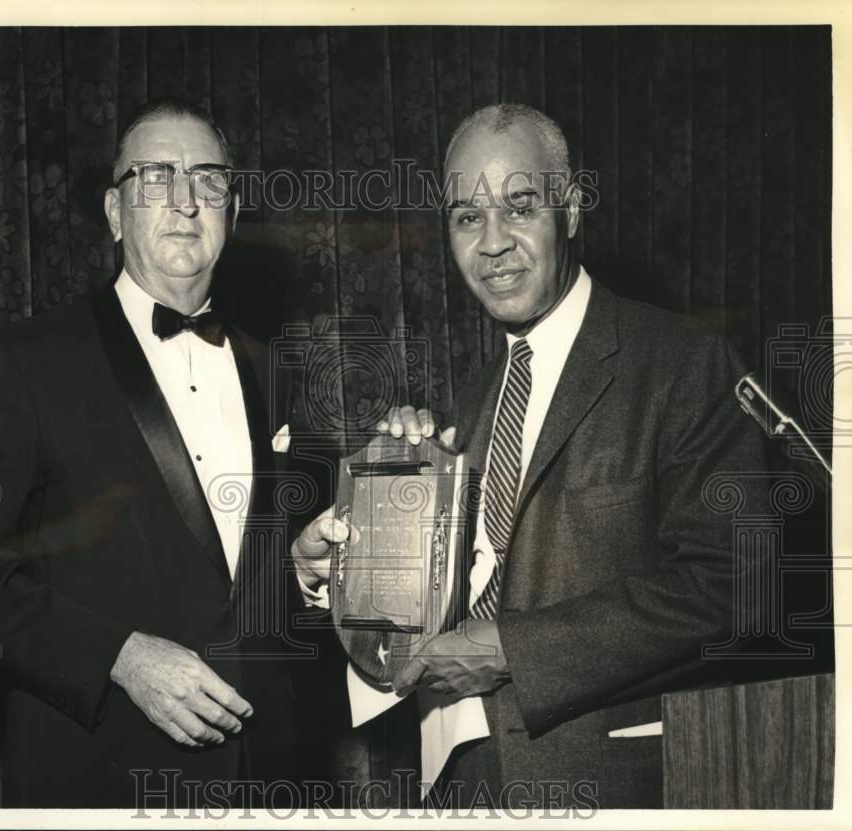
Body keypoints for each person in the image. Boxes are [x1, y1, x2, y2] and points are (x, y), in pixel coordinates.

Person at [294, 103, 768, 808]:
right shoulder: (472, 398)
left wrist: (512, 650)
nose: (492, 243)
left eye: (519, 205)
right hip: (458, 779)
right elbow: (428, 611)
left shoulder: (684, 363)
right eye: (465, 217)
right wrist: (341, 561)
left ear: (571, 210)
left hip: (610, 783)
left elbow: (736, 587)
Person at [0, 98, 319, 808]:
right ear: (114, 212)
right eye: (155, 177)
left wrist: (308, 573)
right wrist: (119, 655)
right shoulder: (24, 360)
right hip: (96, 775)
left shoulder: (276, 373)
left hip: (266, 774)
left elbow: (257, 589)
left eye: (208, 179)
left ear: (230, 211)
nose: (184, 200)